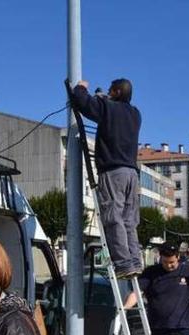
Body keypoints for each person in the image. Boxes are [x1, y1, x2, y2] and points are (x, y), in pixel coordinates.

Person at [71, 78, 143, 278]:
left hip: (113, 172)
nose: (109, 93)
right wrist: (103, 98)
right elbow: (110, 108)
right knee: (129, 220)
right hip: (131, 173)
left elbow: (83, 102)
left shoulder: (108, 108)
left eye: (112, 90)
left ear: (118, 92)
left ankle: (123, 263)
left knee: (113, 217)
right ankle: (135, 261)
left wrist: (81, 87)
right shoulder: (136, 114)